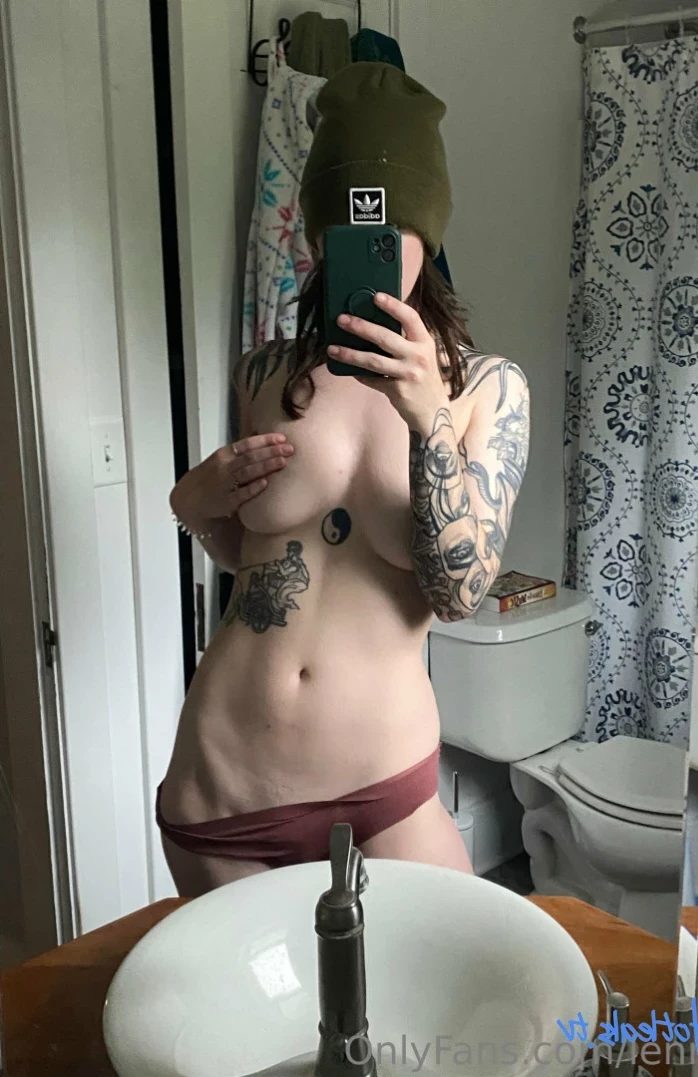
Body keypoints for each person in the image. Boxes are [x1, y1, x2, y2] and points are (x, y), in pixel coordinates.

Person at [158, 62, 530, 897]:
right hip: (221, 782)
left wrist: (429, 421)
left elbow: (460, 591)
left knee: (449, 972)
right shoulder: (264, 373)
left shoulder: (486, 388)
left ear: (429, 233)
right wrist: (195, 506)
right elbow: (257, 560)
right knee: (249, 991)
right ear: (318, 236)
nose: (368, 250)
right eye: (348, 226)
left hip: (384, 791)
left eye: (392, 229)